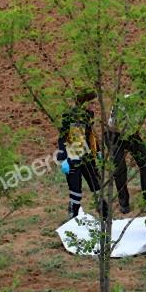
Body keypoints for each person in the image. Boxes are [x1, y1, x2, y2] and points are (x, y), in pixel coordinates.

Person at [57, 90, 107, 219]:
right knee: (76, 190)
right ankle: (73, 215)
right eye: (91, 103)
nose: (94, 106)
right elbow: (62, 137)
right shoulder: (69, 116)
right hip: (72, 156)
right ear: (83, 103)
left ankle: (106, 216)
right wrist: (63, 158)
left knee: (97, 186)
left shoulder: (89, 114)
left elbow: (91, 134)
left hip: (87, 156)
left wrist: (99, 150)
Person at [105, 99, 146, 214]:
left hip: (131, 134)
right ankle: (124, 202)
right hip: (115, 134)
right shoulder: (122, 104)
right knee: (119, 168)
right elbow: (114, 125)